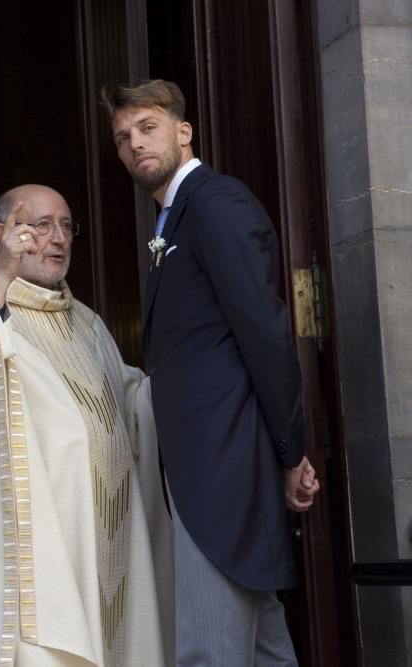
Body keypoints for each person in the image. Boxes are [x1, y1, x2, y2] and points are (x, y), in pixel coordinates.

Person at [0, 185, 173, 666]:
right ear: (2, 233)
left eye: (66, 226)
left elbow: (130, 401)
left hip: (105, 533)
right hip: (43, 550)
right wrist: (2, 278)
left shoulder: (85, 323)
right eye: (41, 225)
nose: (58, 238)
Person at [101, 79, 320, 665]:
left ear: (182, 130)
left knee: (209, 651)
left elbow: (265, 333)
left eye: (147, 128)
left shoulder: (216, 203)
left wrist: (287, 449)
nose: (135, 145)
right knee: (266, 646)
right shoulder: (173, 219)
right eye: (123, 137)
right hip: (206, 464)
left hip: (222, 465)